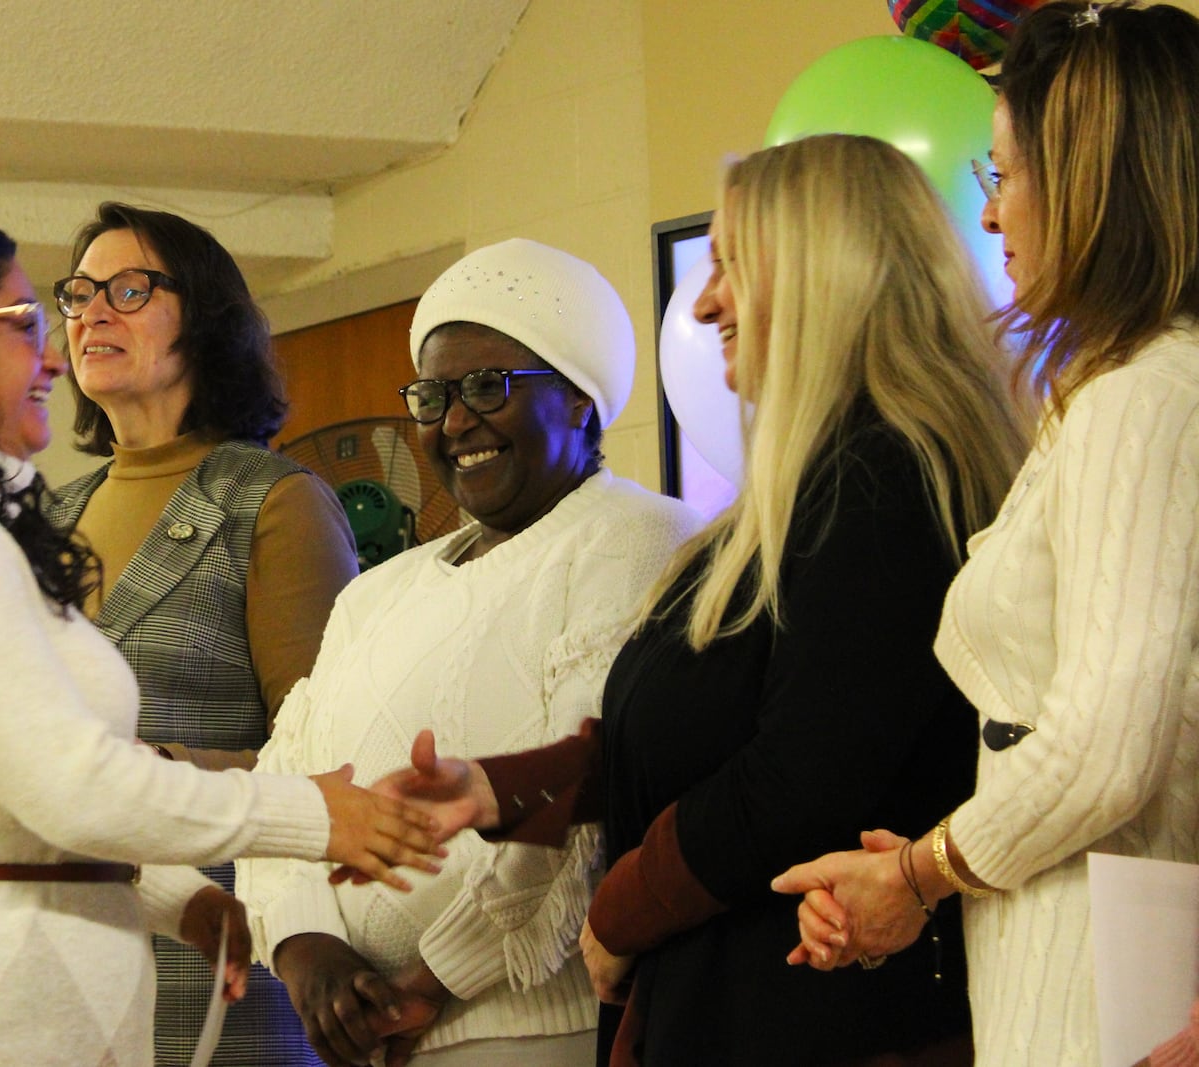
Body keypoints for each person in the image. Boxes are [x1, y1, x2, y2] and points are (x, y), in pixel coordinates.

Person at [0, 213, 444, 1067]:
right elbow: (67, 781)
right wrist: (316, 811)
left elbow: (4, 795)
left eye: (126, 292)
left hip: (6, 983)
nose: (58, 349)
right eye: (32, 319)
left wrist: (176, 898)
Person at [364, 135, 1028, 1066]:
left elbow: (801, 776)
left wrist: (621, 909)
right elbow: (700, 727)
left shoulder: (887, 482)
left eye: (729, 266)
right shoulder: (809, 491)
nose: (706, 301)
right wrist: (504, 787)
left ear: (823, 274)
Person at [773, 5, 1199, 1066]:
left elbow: (1106, 746)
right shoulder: (1110, 391)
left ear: (1090, 185)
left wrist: (920, 869)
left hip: (1101, 956)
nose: (993, 214)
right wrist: (914, 877)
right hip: (1062, 926)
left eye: (1003, 175)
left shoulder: (1141, 396)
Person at [234, 238, 704, 1066]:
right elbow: (286, 786)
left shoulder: (638, 536)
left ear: (581, 401)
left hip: (535, 1029)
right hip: (366, 1042)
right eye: (433, 394)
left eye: (489, 387)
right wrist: (308, 952)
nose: (454, 422)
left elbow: (578, 796)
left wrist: (432, 977)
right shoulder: (376, 592)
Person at [44, 202, 359, 1065]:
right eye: (77, 294)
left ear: (207, 321)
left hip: (216, 976)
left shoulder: (271, 501)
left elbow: (328, 763)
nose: (92, 312)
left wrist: (165, 775)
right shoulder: (43, 519)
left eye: (130, 289)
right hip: (54, 974)